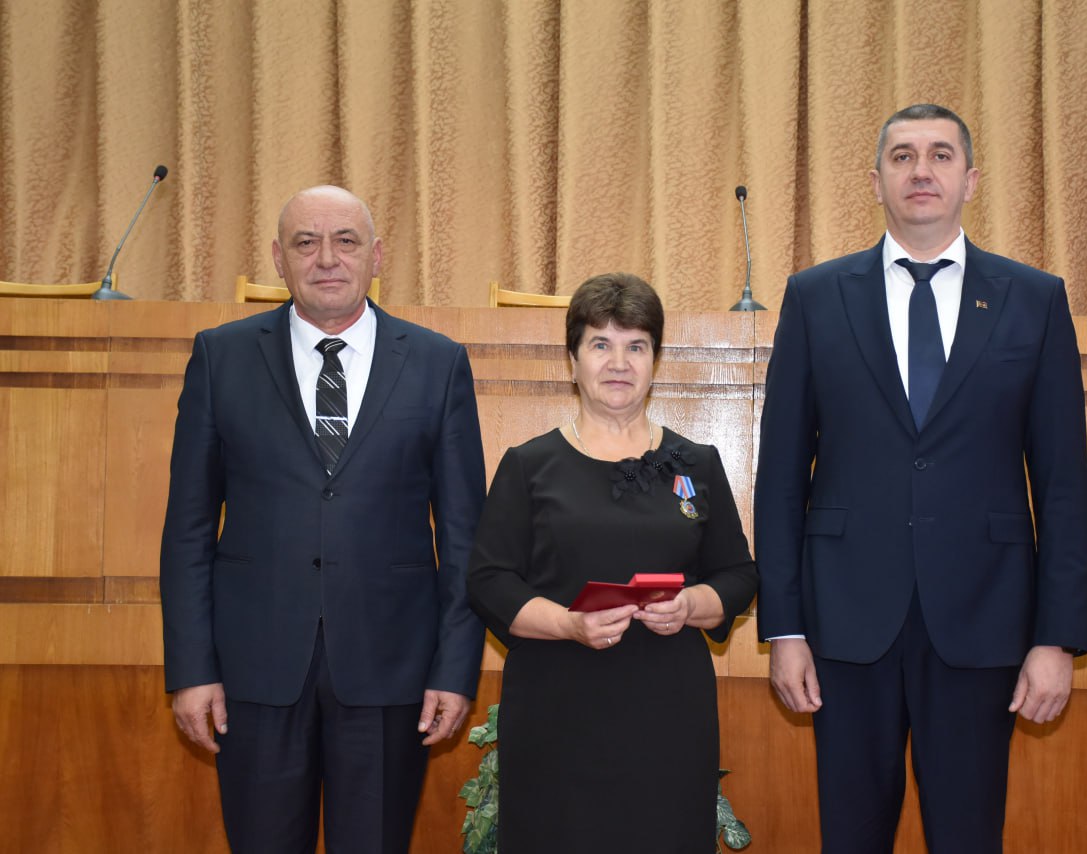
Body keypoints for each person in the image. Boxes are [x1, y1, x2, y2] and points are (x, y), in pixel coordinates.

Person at [754, 104, 1087, 853]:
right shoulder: (816, 297)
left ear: (971, 180)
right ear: (876, 181)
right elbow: (780, 476)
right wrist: (785, 627)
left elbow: (1063, 484)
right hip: (845, 624)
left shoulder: (1035, 299)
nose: (921, 170)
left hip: (984, 621)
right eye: (902, 156)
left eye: (941, 155)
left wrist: (1056, 639)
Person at [160, 185, 487, 852]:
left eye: (346, 241)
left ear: (377, 256)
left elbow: (463, 537)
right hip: (254, 670)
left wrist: (454, 670)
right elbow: (188, 530)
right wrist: (192, 668)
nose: (327, 259)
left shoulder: (437, 363)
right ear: (278, 259)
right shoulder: (221, 357)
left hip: (391, 669)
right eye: (306, 243)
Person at [467, 273, 758, 854]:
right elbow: (488, 581)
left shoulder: (696, 463)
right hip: (557, 708)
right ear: (572, 360)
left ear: (655, 361)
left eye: (636, 346)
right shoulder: (529, 465)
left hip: (668, 713)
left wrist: (691, 605)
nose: (619, 363)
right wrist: (568, 623)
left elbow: (739, 574)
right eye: (600, 344)